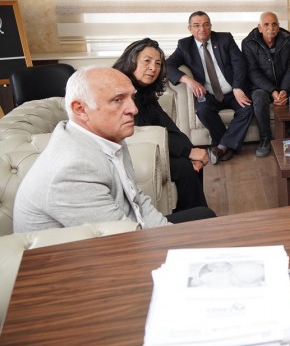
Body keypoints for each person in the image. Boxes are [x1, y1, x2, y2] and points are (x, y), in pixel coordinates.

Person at [13, 67, 216, 233]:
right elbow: (122, 242)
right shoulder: (72, 169)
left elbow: (137, 199)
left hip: (121, 232)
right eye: (117, 99)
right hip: (88, 259)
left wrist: (167, 231)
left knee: (204, 217)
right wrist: (176, 244)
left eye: (131, 98)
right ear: (80, 109)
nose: (133, 109)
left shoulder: (107, 136)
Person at [113, 38, 209, 212]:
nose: (153, 68)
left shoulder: (144, 91)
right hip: (126, 151)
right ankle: (194, 217)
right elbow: (139, 131)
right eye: (147, 61)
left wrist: (190, 150)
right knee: (184, 166)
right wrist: (187, 152)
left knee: (192, 159)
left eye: (158, 63)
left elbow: (166, 126)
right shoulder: (121, 89)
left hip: (148, 146)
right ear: (132, 60)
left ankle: (193, 214)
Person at [166, 11, 253, 164]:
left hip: (232, 91)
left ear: (211, 26)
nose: (202, 29)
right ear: (190, 28)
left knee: (247, 108)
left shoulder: (225, 39)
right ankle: (226, 146)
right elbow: (167, 65)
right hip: (209, 93)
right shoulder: (185, 46)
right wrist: (188, 80)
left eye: (206, 24)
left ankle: (220, 147)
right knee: (202, 110)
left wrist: (237, 87)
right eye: (196, 25)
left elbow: (239, 63)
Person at [242, 12, 290, 156]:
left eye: (274, 24)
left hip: (285, 84)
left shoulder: (288, 39)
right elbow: (252, 72)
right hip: (261, 87)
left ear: (279, 26)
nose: (271, 27)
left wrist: (284, 90)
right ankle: (265, 138)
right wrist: (272, 91)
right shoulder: (248, 43)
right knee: (258, 98)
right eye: (266, 24)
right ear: (259, 27)